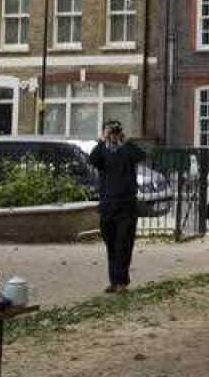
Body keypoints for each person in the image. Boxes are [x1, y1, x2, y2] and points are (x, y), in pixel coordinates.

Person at [88, 120, 145, 293]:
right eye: (110, 132)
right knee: (111, 244)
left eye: (115, 132)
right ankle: (114, 281)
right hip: (107, 205)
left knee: (123, 243)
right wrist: (101, 140)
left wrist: (125, 141)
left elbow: (140, 155)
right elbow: (93, 159)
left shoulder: (127, 151)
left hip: (127, 205)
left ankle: (122, 282)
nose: (113, 135)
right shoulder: (102, 152)